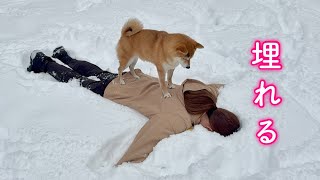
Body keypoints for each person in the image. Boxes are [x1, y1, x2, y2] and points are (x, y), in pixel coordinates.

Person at [27, 46, 240, 165]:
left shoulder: (204, 93)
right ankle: (43, 63)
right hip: (118, 91)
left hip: (133, 79)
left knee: (95, 70)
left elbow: (219, 86)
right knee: (77, 79)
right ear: (210, 128)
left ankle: (63, 55)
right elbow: (148, 138)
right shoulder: (179, 119)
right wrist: (126, 163)